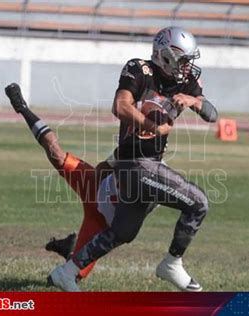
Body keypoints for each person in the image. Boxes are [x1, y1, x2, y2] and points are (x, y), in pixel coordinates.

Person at [50, 26, 218, 292]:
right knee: (198, 203)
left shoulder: (185, 82)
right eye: (183, 60)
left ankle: (66, 272)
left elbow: (212, 115)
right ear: (166, 56)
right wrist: (152, 126)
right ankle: (172, 264)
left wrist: (194, 101)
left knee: (123, 232)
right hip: (133, 164)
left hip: (150, 165)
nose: (187, 67)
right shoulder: (140, 69)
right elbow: (120, 106)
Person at [4, 83, 116, 281]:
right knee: (56, 153)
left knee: (70, 277)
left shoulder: (159, 179)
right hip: (96, 185)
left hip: (101, 222)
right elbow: (101, 169)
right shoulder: (131, 147)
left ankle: (69, 250)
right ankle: (22, 107)